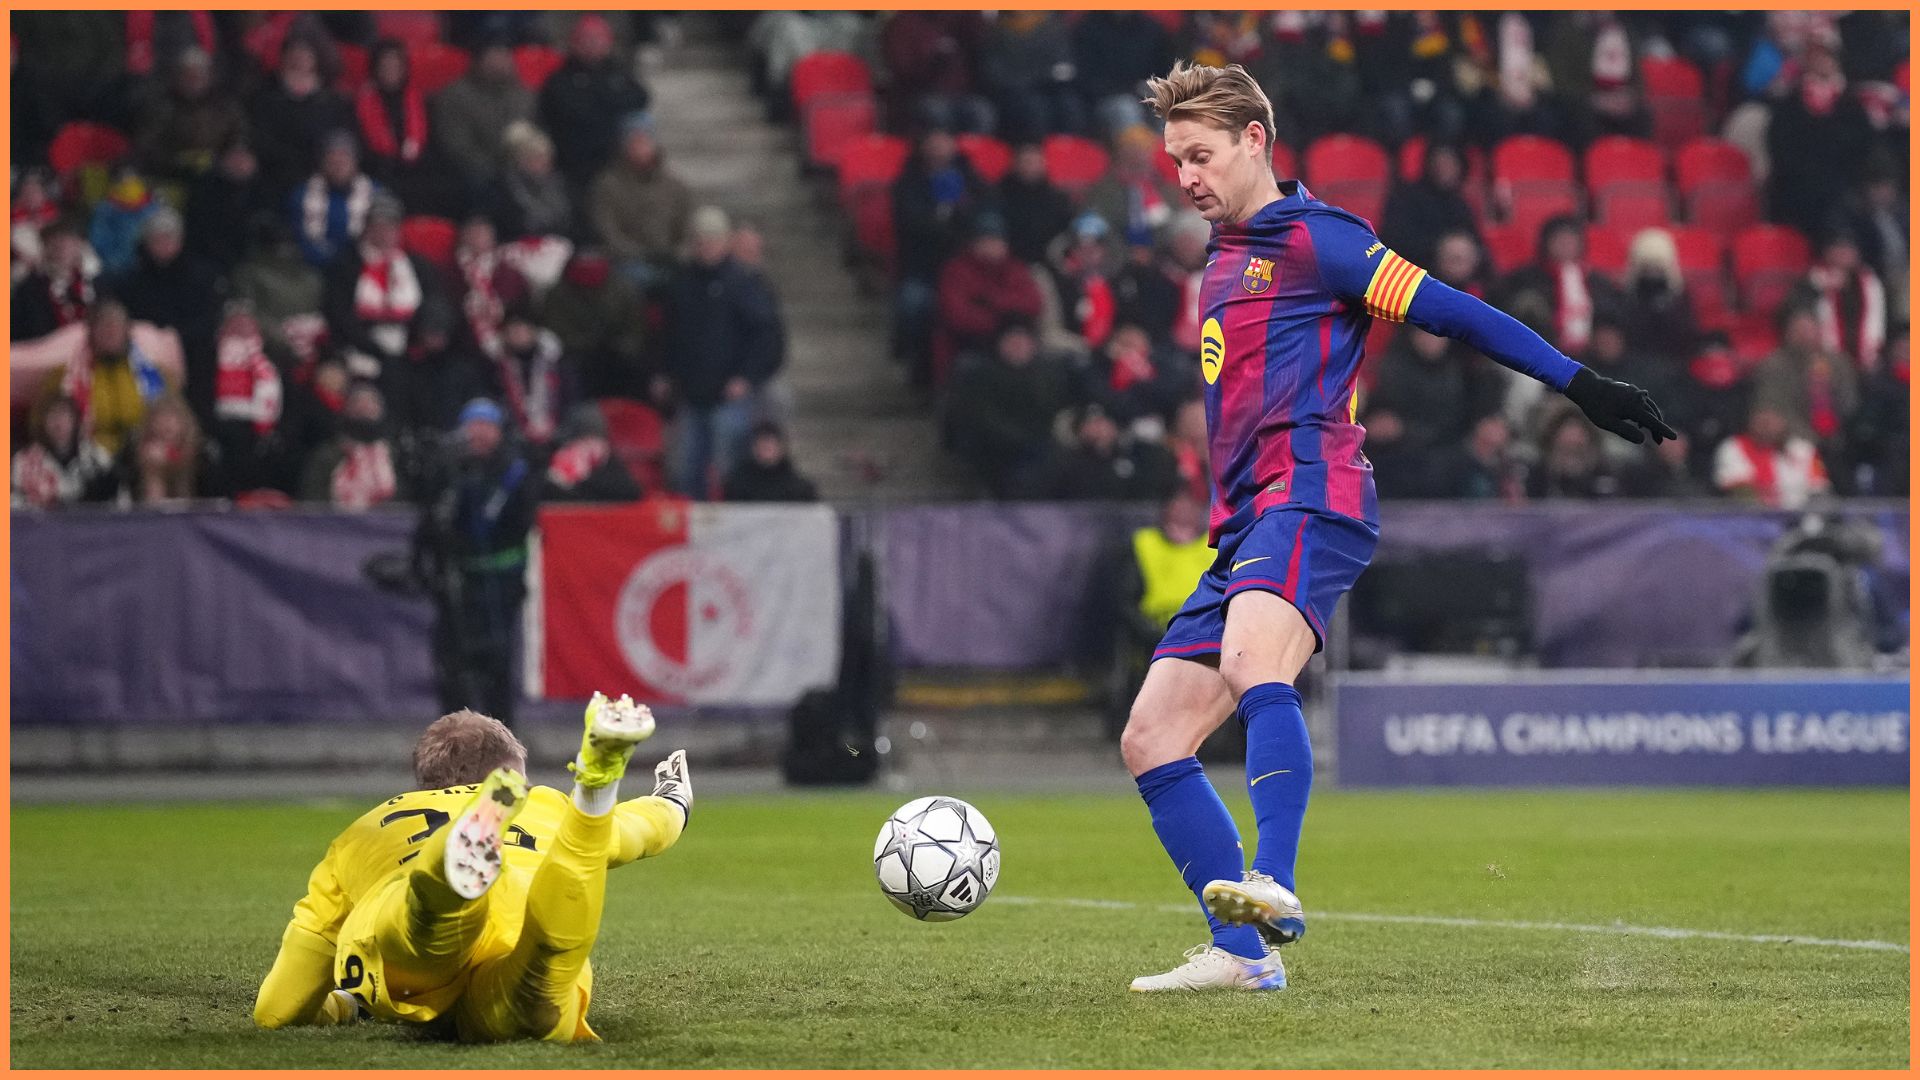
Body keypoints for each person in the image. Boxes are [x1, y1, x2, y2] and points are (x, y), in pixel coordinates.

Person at [1123, 62, 1672, 993]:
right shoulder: (1221, 255)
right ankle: (1244, 957)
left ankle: (1275, 884)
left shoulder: (1322, 240)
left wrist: (1580, 385)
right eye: (1176, 162)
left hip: (1313, 491)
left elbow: (1455, 313)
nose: (1187, 179)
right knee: (1151, 738)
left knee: (1257, 661)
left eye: (1202, 156)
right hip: (1246, 518)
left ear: (1256, 139)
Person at [252, 699, 693, 1042]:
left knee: (418, 928)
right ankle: (595, 792)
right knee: (540, 981)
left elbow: (278, 1008)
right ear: (507, 777)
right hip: (516, 915)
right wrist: (674, 798)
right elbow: (643, 830)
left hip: (403, 954)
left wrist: (340, 1007)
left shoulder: (362, 832)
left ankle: (443, 882)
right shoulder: (542, 803)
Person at [413, 398, 538, 727]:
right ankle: (454, 737)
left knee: (497, 663)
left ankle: (502, 737)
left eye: (486, 426)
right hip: (458, 580)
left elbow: (521, 521)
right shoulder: (448, 470)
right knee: (452, 663)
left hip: (500, 584)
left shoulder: (513, 471)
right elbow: (430, 521)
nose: (478, 433)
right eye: (472, 425)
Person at [722, 420, 819, 502]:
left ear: (782, 448)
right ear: (754, 448)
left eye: (770, 446)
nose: (766, 450)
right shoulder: (737, 485)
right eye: (762, 446)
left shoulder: (800, 489)